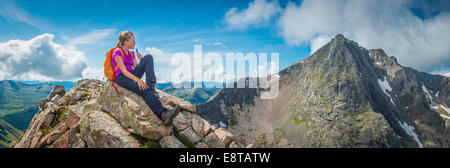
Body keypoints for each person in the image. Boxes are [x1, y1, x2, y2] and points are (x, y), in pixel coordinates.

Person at [112, 30, 180, 126]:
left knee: (148, 57)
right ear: (126, 41)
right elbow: (124, 71)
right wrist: (137, 80)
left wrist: (142, 61)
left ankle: (151, 87)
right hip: (122, 77)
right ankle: (163, 114)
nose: (135, 43)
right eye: (133, 40)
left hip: (131, 75)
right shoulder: (117, 52)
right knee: (144, 90)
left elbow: (136, 69)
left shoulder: (131, 54)